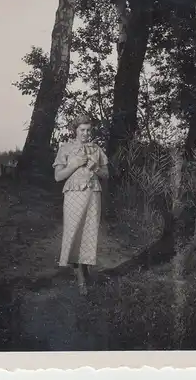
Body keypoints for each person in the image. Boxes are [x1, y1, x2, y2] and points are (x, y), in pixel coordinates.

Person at [53, 114, 109, 295]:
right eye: (81, 130)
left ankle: (84, 270)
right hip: (73, 194)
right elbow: (58, 176)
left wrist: (95, 167)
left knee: (90, 232)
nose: (85, 133)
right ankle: (80, 277)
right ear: (75, 130)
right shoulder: (66, 149)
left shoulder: (96, 149)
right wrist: (74, 165)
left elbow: (106, 174)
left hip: (93, 193)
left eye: (88, 130)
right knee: (74, 231)